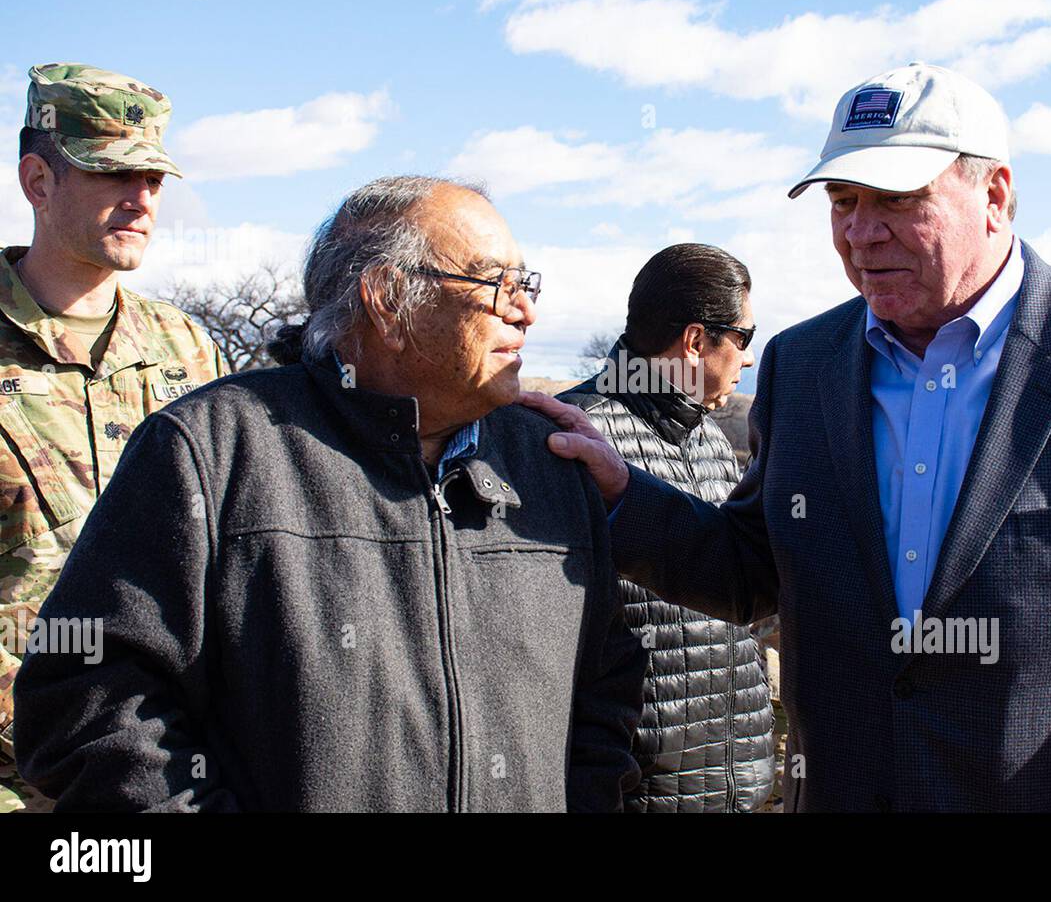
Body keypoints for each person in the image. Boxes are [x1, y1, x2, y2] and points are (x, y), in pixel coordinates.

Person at [522, 62, 1051, 812]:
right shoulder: (803, 364)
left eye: (895, 198)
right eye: (842, 200)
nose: (861, 232)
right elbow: (757, 566)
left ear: (995, 194)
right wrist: (622, 494)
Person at [14, 175, 646, 811]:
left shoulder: (550, 463)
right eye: (496, 284)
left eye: (525, 283)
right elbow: (86, 700)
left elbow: (605, 688)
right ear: (387, 303)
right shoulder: (210, 450)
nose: (525, 310)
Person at [0, 63, 228, 812]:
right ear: (38, 180)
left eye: (155, 179)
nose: (142, 200)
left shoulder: (190, 352)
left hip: (164, 777)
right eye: (113, 174)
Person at [557, 243, 776, 812]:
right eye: (744, 339)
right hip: (636, 793)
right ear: (697, 341)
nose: (749, 359)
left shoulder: (711, 440)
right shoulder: (570, 444)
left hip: (738, 791)